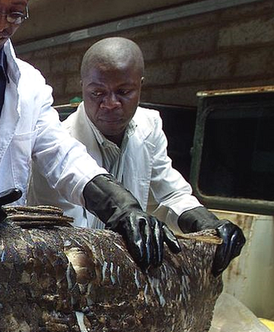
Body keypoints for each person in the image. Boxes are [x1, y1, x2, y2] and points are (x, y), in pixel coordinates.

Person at [0, 0, 182, 271]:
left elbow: (62, 155)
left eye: (15, 14)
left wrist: (122, 207)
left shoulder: (30, 84)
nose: (0, 25)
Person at [28, 37, 245, 275]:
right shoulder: (58, 147)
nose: (110, 104)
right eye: (97, 93)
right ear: (82, 87)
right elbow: (67, 235)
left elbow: (170, 193)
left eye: (123, 92)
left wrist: (205, 223)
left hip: (123, 272)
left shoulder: (148, 126)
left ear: (140, 86)